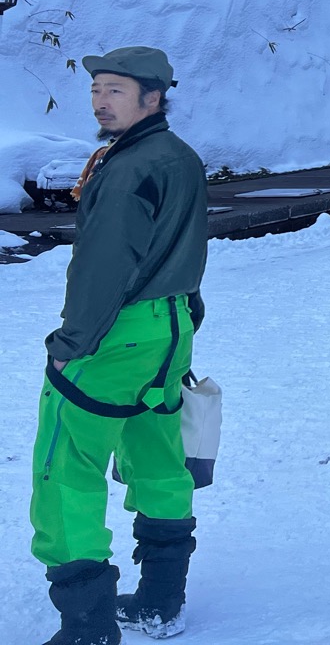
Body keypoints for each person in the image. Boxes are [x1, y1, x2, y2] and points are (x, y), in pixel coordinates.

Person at [32, 47, 208, 644]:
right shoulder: (178, 156)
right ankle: (161, 601)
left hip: (114, 337)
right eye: (96, 91)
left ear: (152, 97)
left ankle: (87, 626)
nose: (101, 102)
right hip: (171, 331)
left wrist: (71, 343)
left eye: (115, 91)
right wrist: (185, 315)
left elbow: (104, 264)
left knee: (67, 469)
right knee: (159, 458)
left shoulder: (131, 167)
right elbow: (185, 243)